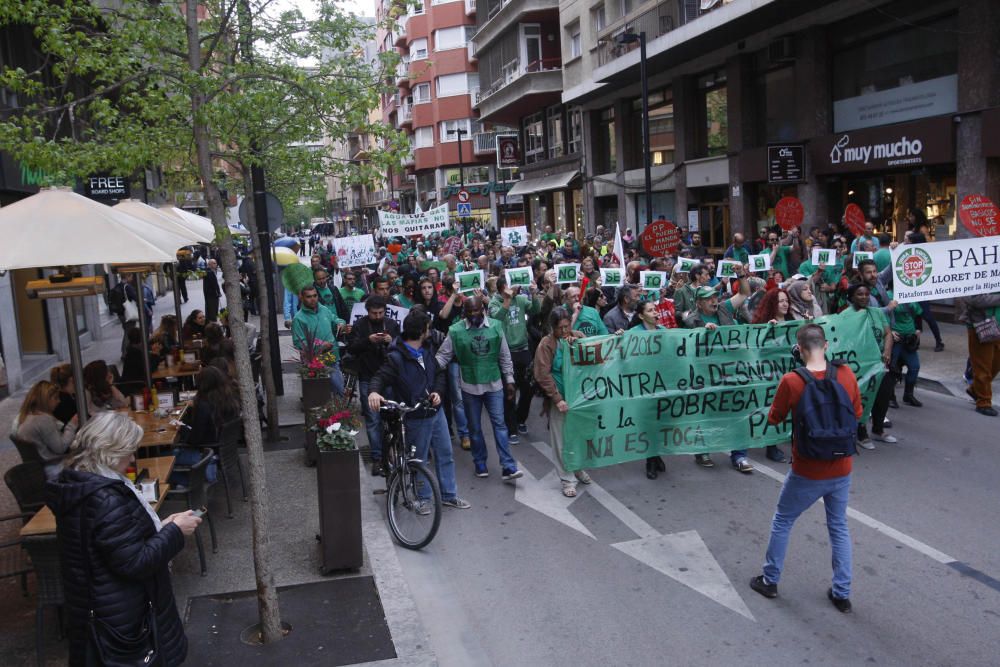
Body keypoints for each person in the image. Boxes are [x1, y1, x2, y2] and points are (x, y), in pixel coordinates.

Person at [48, 411, 201, 666]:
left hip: (98, 610)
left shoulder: (78, 486)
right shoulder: (105, 498)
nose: (132, 458)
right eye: (128, 451)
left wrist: (162, 527)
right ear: (111, 451)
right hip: (122, 618)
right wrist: (174, 532)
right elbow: (135, 562)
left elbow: (119, 544)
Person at [750, 324, 862, 614]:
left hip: (808, 468)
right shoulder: (847, 374)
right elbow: (858, 413)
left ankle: (770, 579)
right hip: (842, 466)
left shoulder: (792, 380)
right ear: (825, 346)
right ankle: (842, 593)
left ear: (799, 350)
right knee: (838, 527)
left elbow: (775, 418)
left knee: (783, 520)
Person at [368, 310, 471, 510]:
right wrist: (373, 392)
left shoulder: (428, 349)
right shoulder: (396, 357)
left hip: (435, 412)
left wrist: (437, 393)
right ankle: (423, 499)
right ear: (421, 331)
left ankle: (449, 495)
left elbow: (439, 373)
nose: (429, 331)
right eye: (427, 328)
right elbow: (380, 377)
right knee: (419, 461)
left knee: (445, 454)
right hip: (415, 417)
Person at [435, 296, 522, 481]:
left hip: (494, 385)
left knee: (500, 425)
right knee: (474, 429)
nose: (474, 314)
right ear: (464, 313)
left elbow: (505, 355)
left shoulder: (496, 326)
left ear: (483, 308)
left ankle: (508, 466)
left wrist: (510, 380)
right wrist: (425, 371)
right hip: (469, 387)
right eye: (470, 311)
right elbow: (442, 356)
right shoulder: (456, 331)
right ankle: (480, 462)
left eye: (477, 310)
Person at [682, 278, 755, 472]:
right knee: (708, 414)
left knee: (738, 412)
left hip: (731, 371)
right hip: (706, 375)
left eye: (715, 297)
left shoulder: (724, 309)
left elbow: (744, 293)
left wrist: (741, 277)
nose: (713, 301)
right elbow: (688, 345)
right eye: (708, 299)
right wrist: (702, 333)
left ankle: (740, 456)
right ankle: (703, 450)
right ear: (699, 303)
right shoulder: (691, 321)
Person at [533, 307, 591, 497]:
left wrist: (578, 345)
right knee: (561, 440)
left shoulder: (578, 336)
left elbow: (594, 355)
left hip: (579, 398)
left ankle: (578, 468)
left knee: (579, 436)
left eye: (567, 327)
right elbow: (542, 374)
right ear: (553, 327)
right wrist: (557, 399)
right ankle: (567, 479)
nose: (564, 331)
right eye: (560, 328)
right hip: (561, 398)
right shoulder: (547, 344)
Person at [347, 296, 400, 475]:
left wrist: (390, 341)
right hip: (367, 378)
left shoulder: (392, 324)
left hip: (389, 379)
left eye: (380, 313)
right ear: (367, 311)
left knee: (393, 417)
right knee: (373, 420)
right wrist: (368, 340)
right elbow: (351, 348)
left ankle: (393, 453)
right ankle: (377, 458)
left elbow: (402, 347)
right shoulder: (360, 326)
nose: (377, 316)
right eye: (373, 313)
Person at [488, 277, 540, 442]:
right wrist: (507, 300)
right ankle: (511, 428)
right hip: (505, 352)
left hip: (523, 349)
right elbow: (496, 319)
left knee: (529, 388)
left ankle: (520, 419)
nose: (517, 287)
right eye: (512, 284)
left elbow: (535, 311)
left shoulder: (522, 299)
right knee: (509, 391)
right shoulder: (493, 303)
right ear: (503, 287)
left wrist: (534, 294)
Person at [169, 366, 238, 486]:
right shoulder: (228, 400)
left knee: (163, 460)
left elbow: (194, 440)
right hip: (222, 450)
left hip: (205, 452)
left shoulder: (204, 405)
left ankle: (191, 483)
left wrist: (182, 429)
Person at [846, 283, 896, 448]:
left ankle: (878, 429)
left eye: (867, 294)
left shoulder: (876, 312)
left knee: (884, 394)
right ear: (852, 297)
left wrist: (887, 351)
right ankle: (861, 433)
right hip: (860, 366)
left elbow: (888, 333)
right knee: (863, 398)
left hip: (881, 363)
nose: (864, 297)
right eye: (860, 294)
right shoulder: (846, 316)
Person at [627, 301, 669, 479]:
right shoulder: (633, 334)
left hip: (663, 385)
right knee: (648, 423)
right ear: (641, 316)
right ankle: (651, 460)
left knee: (660, 423)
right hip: (643, 386)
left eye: (655, 309)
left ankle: (656, 454)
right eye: (650, 310)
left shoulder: (664, 333)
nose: (655, 313)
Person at [13, 380, 78, 479]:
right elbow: (60, 448)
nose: (59, 401)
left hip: (38, 469)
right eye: (55, 398)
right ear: (45, 399)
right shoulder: (43, 419)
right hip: (52, 469)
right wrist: (72, 424)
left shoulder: (25, 416)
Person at [957, 291, 1000, 416]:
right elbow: (975, 299)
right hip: (982, 326)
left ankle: (975, 389)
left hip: (998, 326)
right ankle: (983, 403)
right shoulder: (974, 275)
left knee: (996, 364)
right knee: (982, 366)